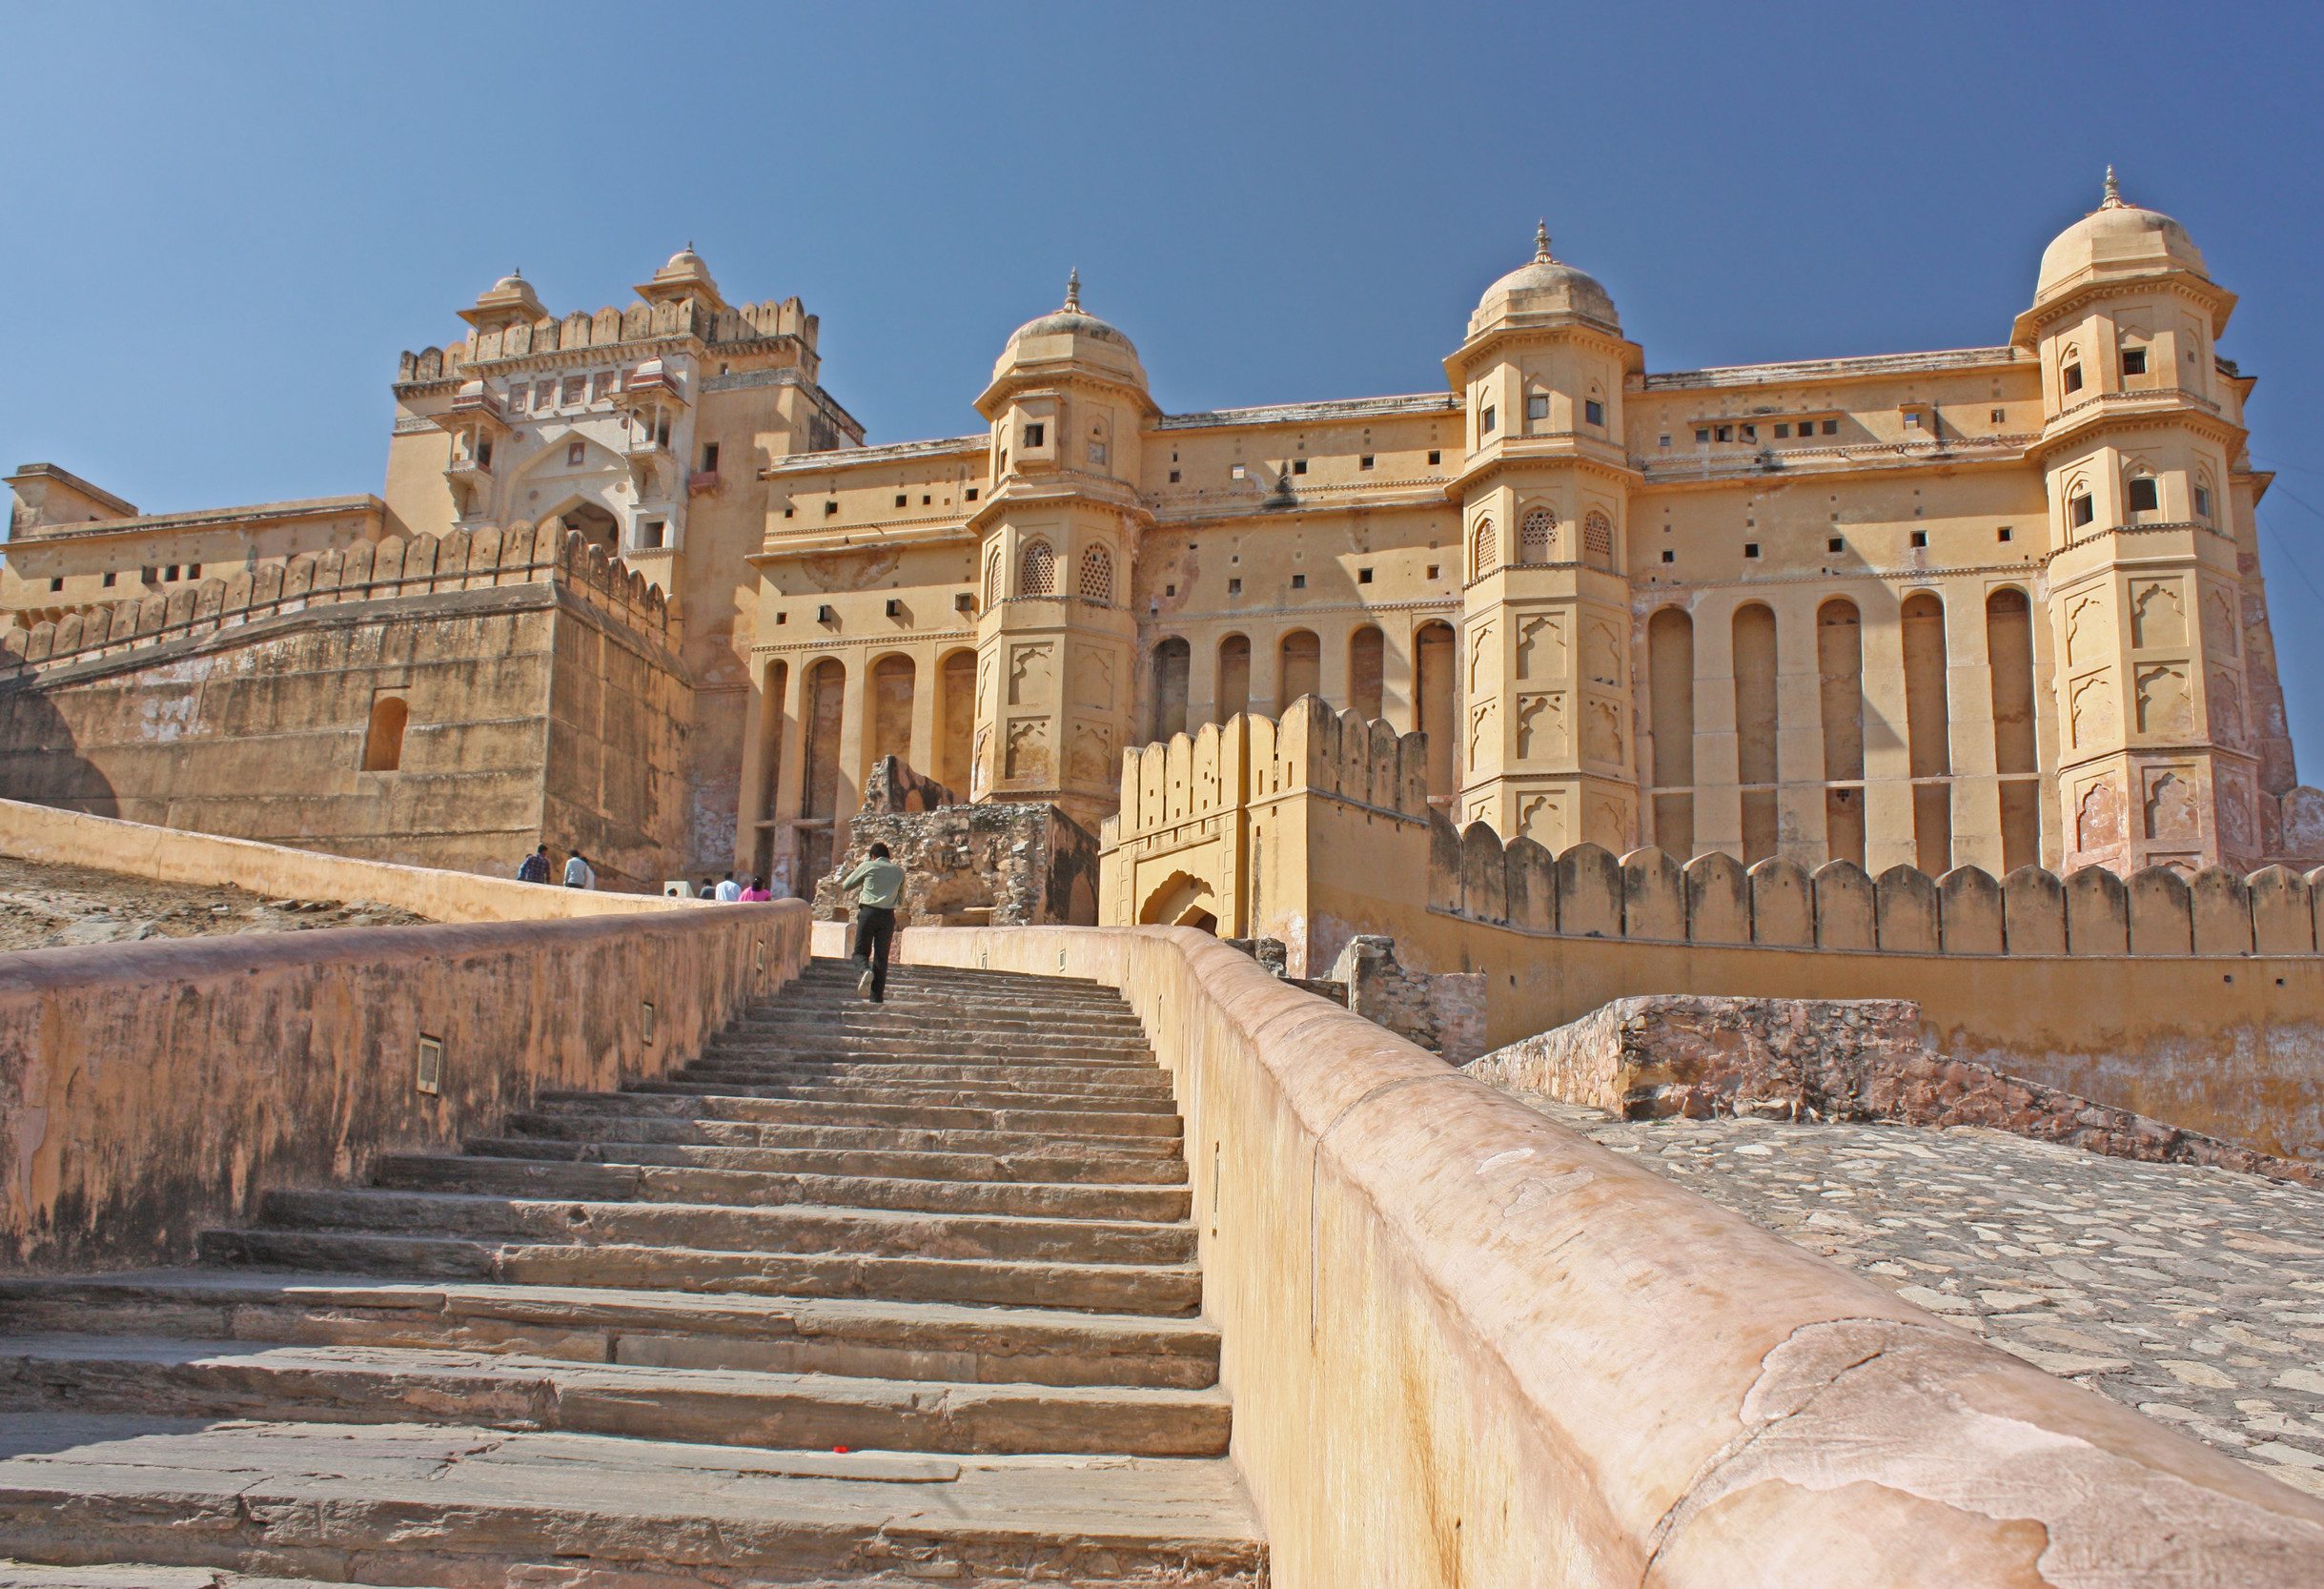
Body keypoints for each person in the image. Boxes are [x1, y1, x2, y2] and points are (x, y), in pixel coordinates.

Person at [837, 842, 905, 1002]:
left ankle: (864, 970)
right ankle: (876, 998)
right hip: (888, 916)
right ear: (889, 857)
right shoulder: (899, 871)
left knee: (860, 952)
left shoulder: (869, 865)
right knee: (882, 957)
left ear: (873, 856)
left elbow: (846, 886)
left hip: (868, 912)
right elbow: (901, 899)